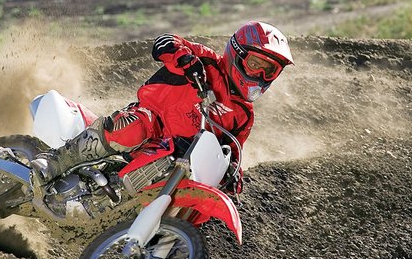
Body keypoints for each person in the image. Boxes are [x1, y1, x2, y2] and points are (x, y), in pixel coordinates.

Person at [30, 21, 293, 195]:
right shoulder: (207, 61)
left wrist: (234, 177)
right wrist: (185, 59)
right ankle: (55, 161)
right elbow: (166, 42)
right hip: (151, 125)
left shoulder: (243, 115)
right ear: (237, 53)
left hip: (175, 158)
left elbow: (233, 152)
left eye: (268, 70)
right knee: (134, 127)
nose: (260, 74)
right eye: (256, 63)